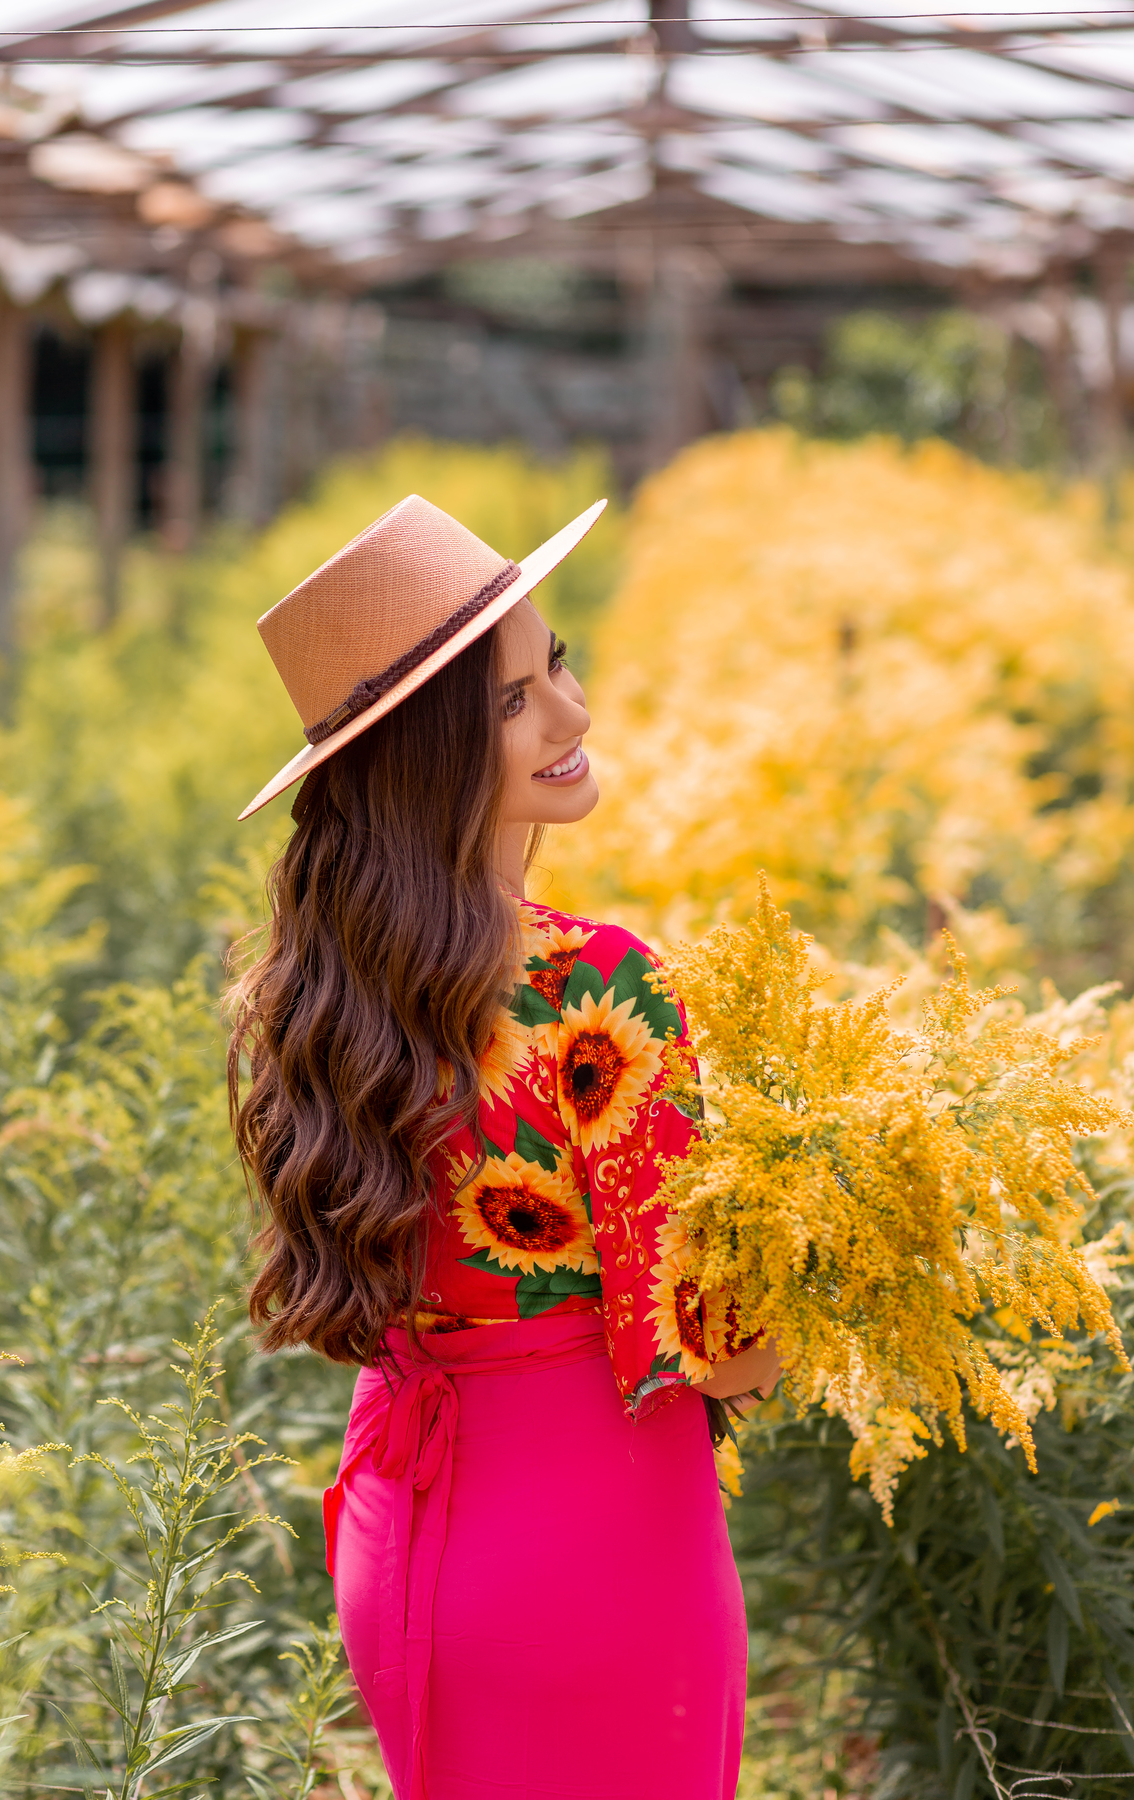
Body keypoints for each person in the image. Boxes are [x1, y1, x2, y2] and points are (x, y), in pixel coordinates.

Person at [228, 493, 783, 1800]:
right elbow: (715, 1346)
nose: (573, 717)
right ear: (425, 752)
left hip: (404, 1523)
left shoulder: (301, 994)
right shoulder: (599, 991)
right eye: (514, 702)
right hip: (596, 1540)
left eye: (559, 664)